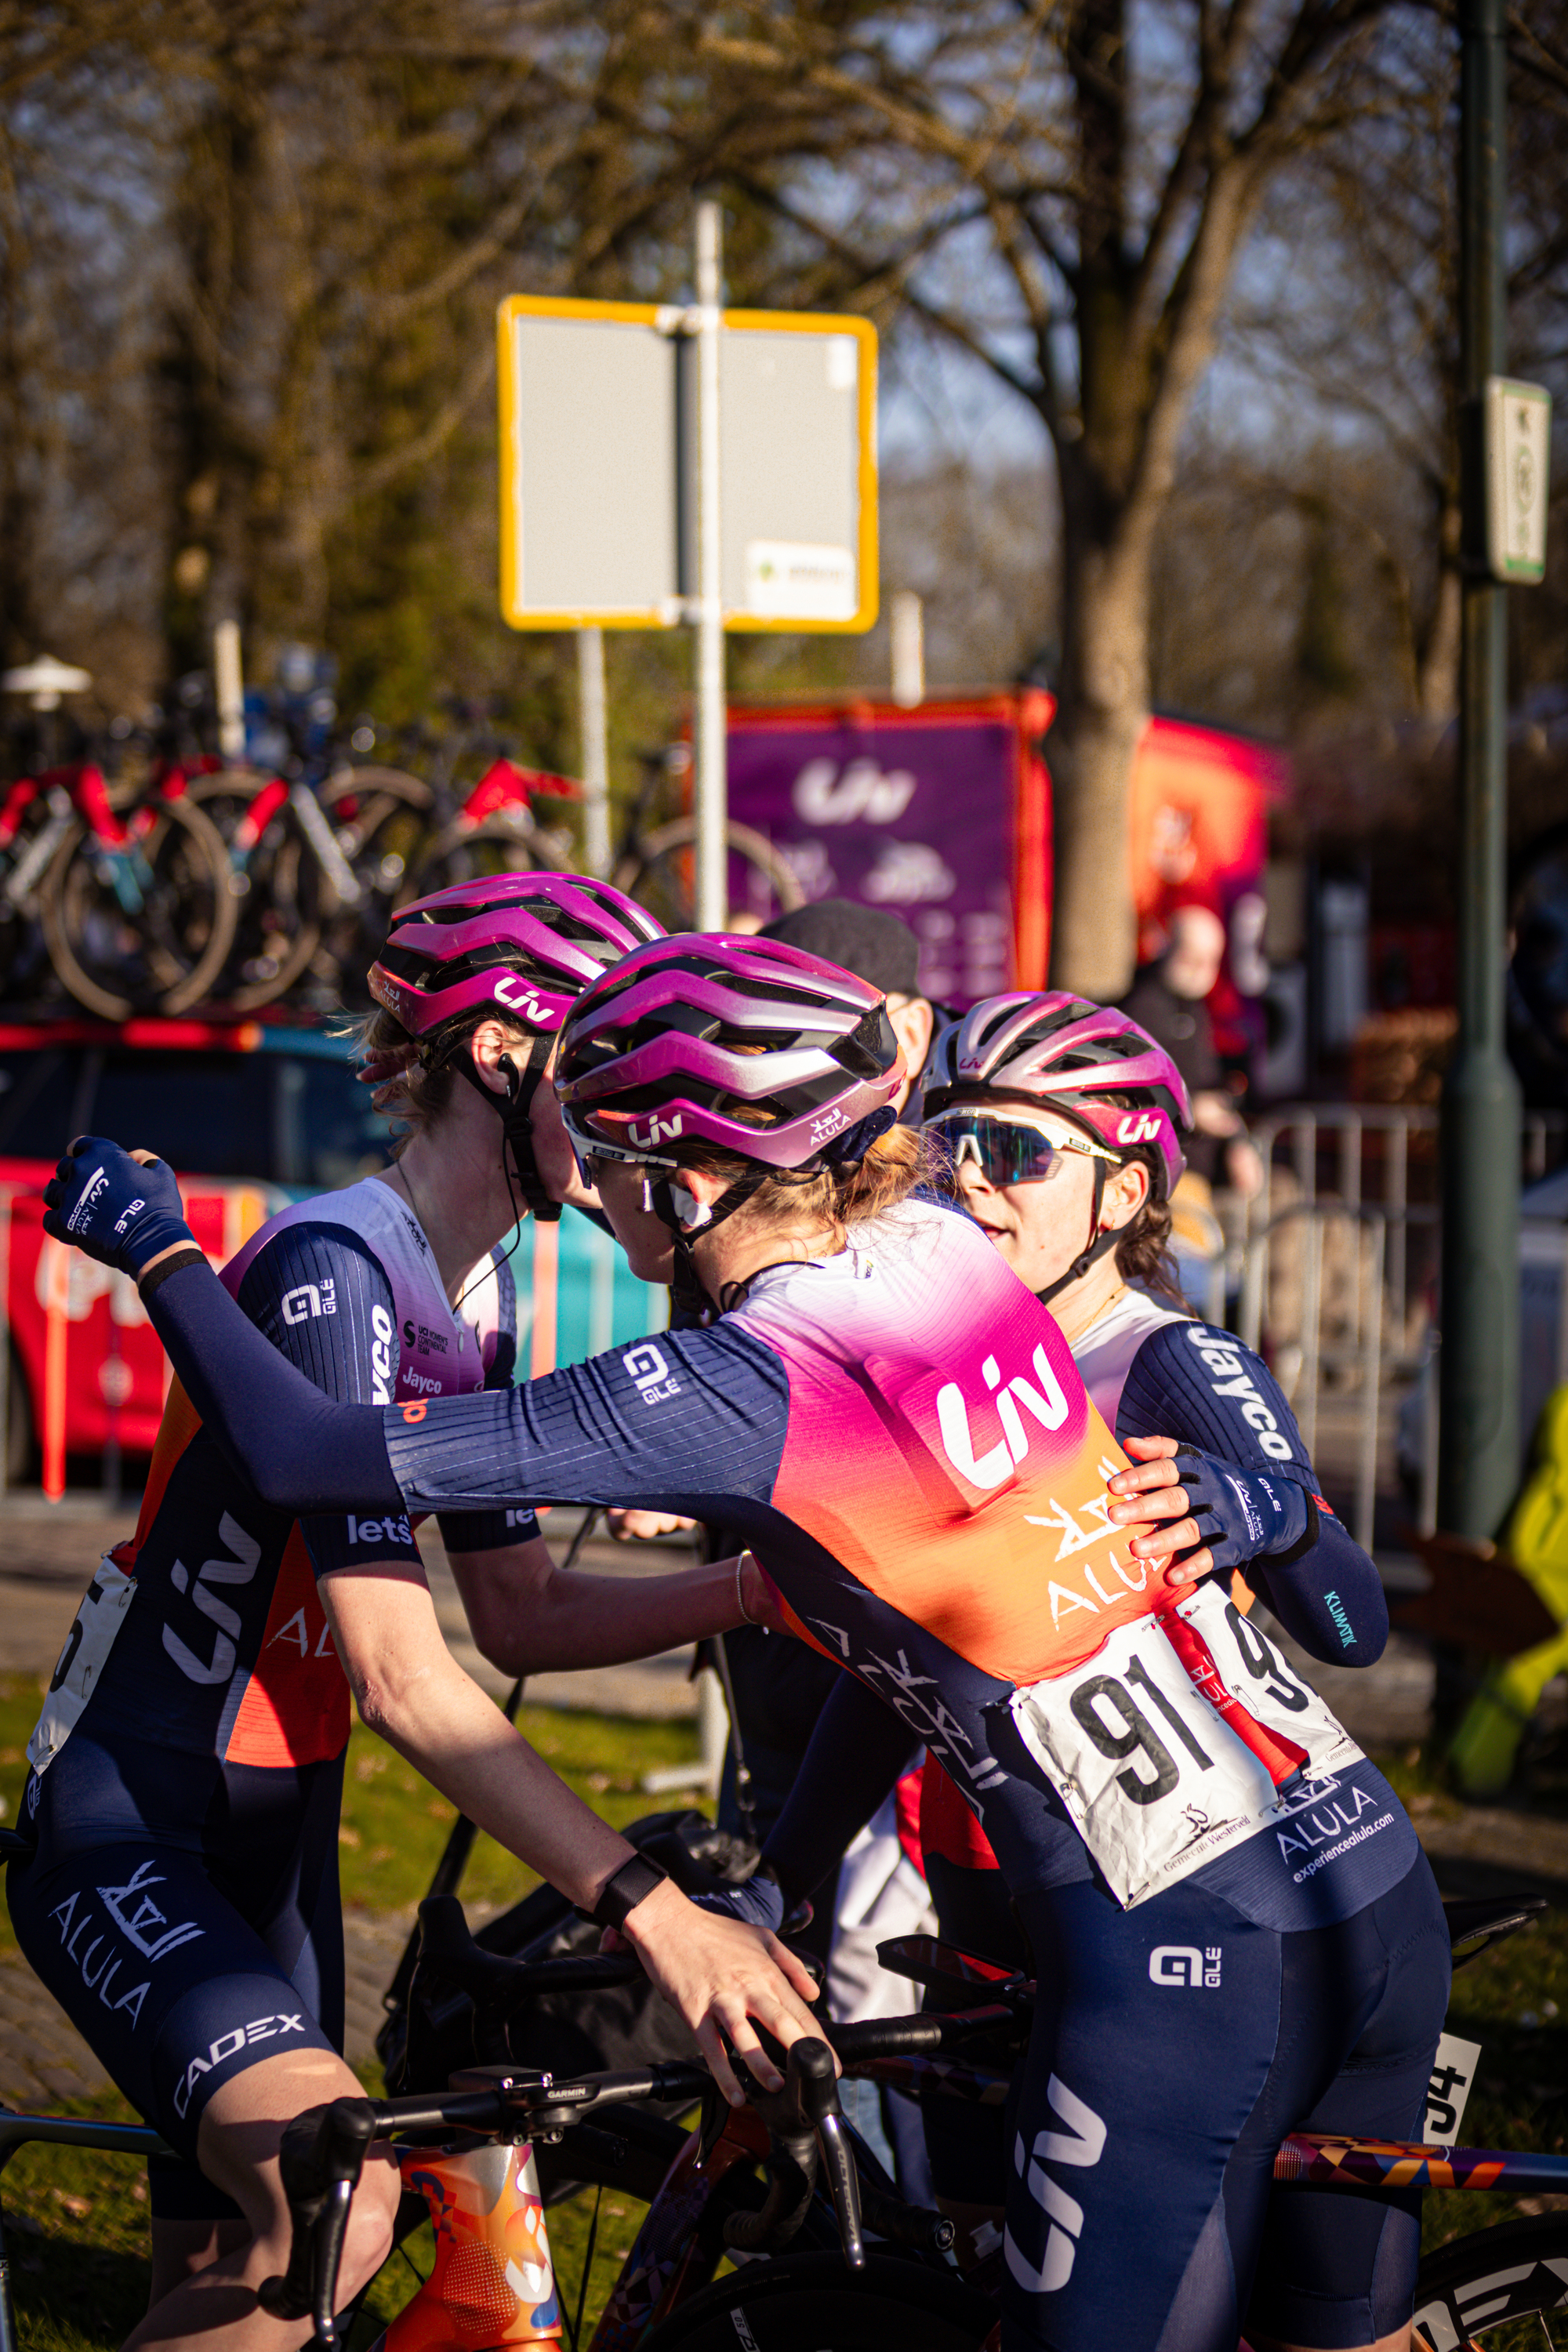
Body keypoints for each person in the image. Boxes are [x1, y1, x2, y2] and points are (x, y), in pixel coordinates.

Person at [45, 931, 1446, 2352]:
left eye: (612, 1162)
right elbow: (928, 1645)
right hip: (1367, 1876)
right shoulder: (940, 1245)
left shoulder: (736, 1382)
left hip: (1181, 1944)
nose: (593, 1195)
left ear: (686, 1183)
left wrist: (158, 1246)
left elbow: (299, 1453)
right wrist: (779, 1871)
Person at [9, 879, 819, 2352]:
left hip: (278, 1834)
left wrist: (760, 1588)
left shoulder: (477, 1299)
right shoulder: (339, 1272)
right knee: (334, 2200)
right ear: (508, 1051)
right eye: (609, 1059)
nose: (641, 1107)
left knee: (248, 2285)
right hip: (139, 1819)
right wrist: (657, 1920)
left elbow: (516, 1617)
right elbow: (404, 1673)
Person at [1120, 903, 1263, 1198]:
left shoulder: (1195, 1009)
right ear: (1167, 947)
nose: (1201, 970)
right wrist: (1191, 1110)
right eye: (1191, 957)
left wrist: (1237, 1139)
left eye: (1211, 960)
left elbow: (1207, 1084)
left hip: (1204, 1164)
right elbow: (1133, 1089)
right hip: (1162, 1170)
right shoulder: (1143, 1008)